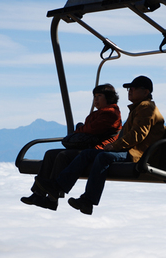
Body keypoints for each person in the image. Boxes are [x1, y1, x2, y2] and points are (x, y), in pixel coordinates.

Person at [35, 76, 165, 215]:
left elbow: (138, 134)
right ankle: (60, 187)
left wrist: (114, 146)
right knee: (87, 154)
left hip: (138, 154)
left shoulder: (146, 108)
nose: (129, 91)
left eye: (133, 88)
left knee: (103, 157)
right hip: (131, 150)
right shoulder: (138, 108)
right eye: (129, 88)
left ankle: (87, 199)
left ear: (145, 92)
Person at [21, 83, 122, 211]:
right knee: (50, 154)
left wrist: (80, 129)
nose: (96, 100)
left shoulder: (111, 113)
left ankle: (52, 197)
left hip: (97, 149)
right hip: (89, 146)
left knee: (63, 156)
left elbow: (92, 129)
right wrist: (82, 130)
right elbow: (88, 129)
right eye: (94, 96)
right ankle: (38, 193)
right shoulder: (98, 114)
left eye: (99, 96)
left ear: (109, 97)